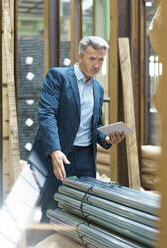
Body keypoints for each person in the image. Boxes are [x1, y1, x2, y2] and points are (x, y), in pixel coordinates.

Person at [30, 36, 125, 223]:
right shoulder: (58, 77)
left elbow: (95, 125)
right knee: (51, 208)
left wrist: (106, 139)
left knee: (83, 209)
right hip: (58, 155)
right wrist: (55, 151)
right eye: (92, 59)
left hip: (84, 158)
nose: (97, 65)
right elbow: (47, 114)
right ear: (79, 57)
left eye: (101, 60)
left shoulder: (98, 88)